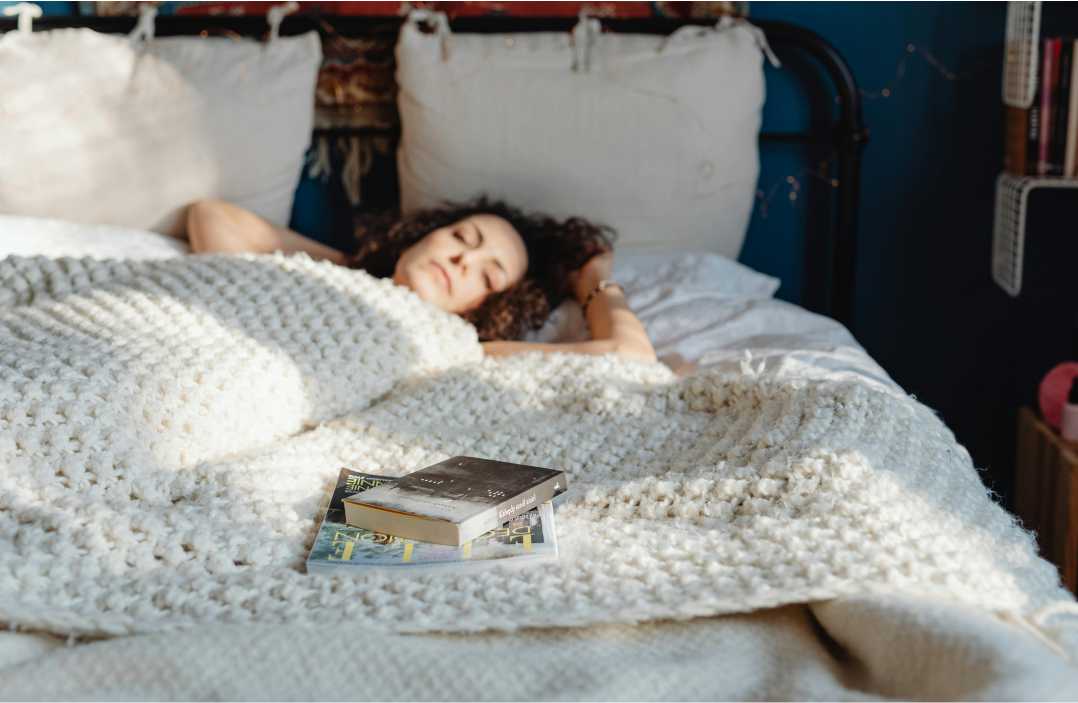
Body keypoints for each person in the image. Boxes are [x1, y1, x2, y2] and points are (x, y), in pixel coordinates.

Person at [183, 198, 656, 362]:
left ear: (489, 309)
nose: (462, 259)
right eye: (462, 237)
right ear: (420, 236)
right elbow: (211, 217)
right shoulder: (331, 281)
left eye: (488, 275)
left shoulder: (465, 351)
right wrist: (356, 270)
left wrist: (595, 281)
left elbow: (630, 357)